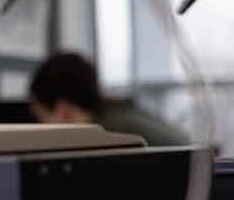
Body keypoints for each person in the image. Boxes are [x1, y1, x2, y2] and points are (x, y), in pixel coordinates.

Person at [29, 52, 187, 146]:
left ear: (62, 110)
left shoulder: (108, 137)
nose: (42, 125)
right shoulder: (119, 114)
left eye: (42, 118)